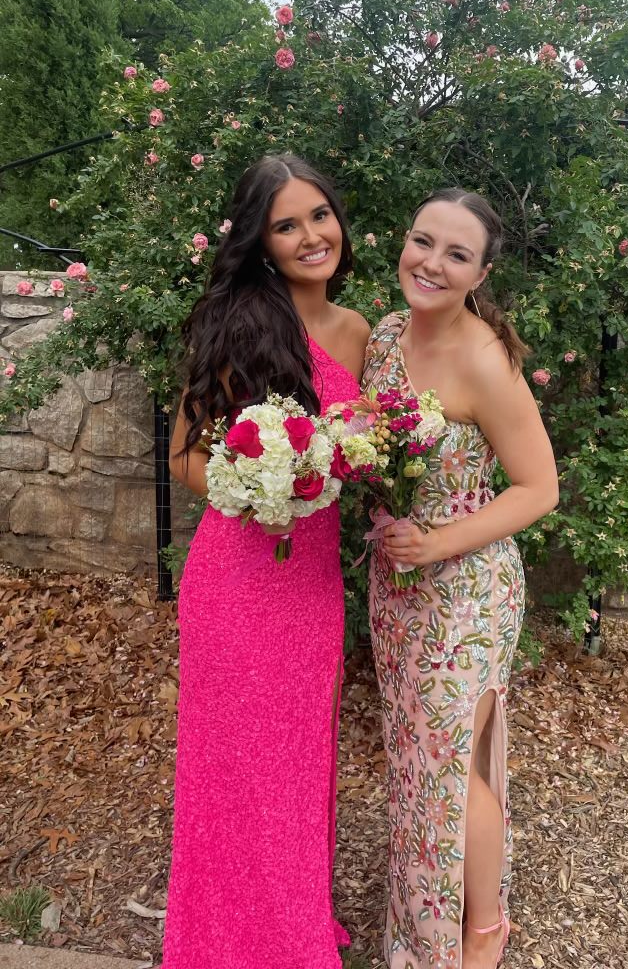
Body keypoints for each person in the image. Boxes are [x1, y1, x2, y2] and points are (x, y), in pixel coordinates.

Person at [162, 153, 370, 969]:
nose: (311, 236)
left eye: (320, 215)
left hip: (312, 586)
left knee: (296, 766)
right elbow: (186, 455)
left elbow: (365, 447)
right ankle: (227, 943)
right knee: (236, 773)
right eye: (287, 225)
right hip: (236, 581)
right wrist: (254, 490)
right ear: (262, 241)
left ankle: (291, 929)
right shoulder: (240, 322)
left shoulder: (359, 331)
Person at [361, 188, 559, 969]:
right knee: (415, 759)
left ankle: (480, 932)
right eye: (423, 241)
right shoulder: (383, 338)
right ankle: (420, 919)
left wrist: (438, 542)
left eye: (456, 254)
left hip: (466, 596)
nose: (431, 263)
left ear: (480, 274)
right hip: (396, 584)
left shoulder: (484, 361)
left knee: (448, 766)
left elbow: (538, 488)